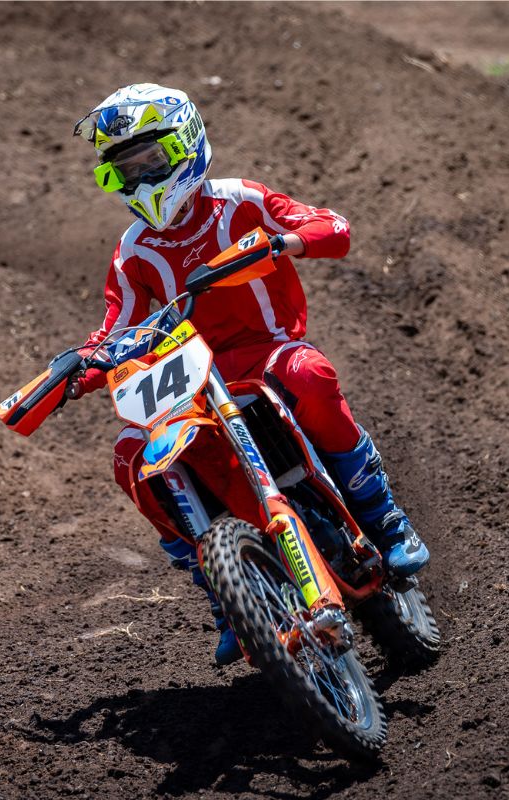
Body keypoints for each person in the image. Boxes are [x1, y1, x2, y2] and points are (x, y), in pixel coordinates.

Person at [69, 84, 428, 665]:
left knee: (309, 375)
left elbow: (332, 226)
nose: (141, 178)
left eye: (150, 160)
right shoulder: (133, 251)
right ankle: (223, 591)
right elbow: (117, 326)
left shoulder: (241, 201)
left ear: (184, 145)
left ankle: (384, 519)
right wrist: (80, 368)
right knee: (132, 454)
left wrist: (286, 242)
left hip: (268, 351)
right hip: (190, 378)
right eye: (126, 169)